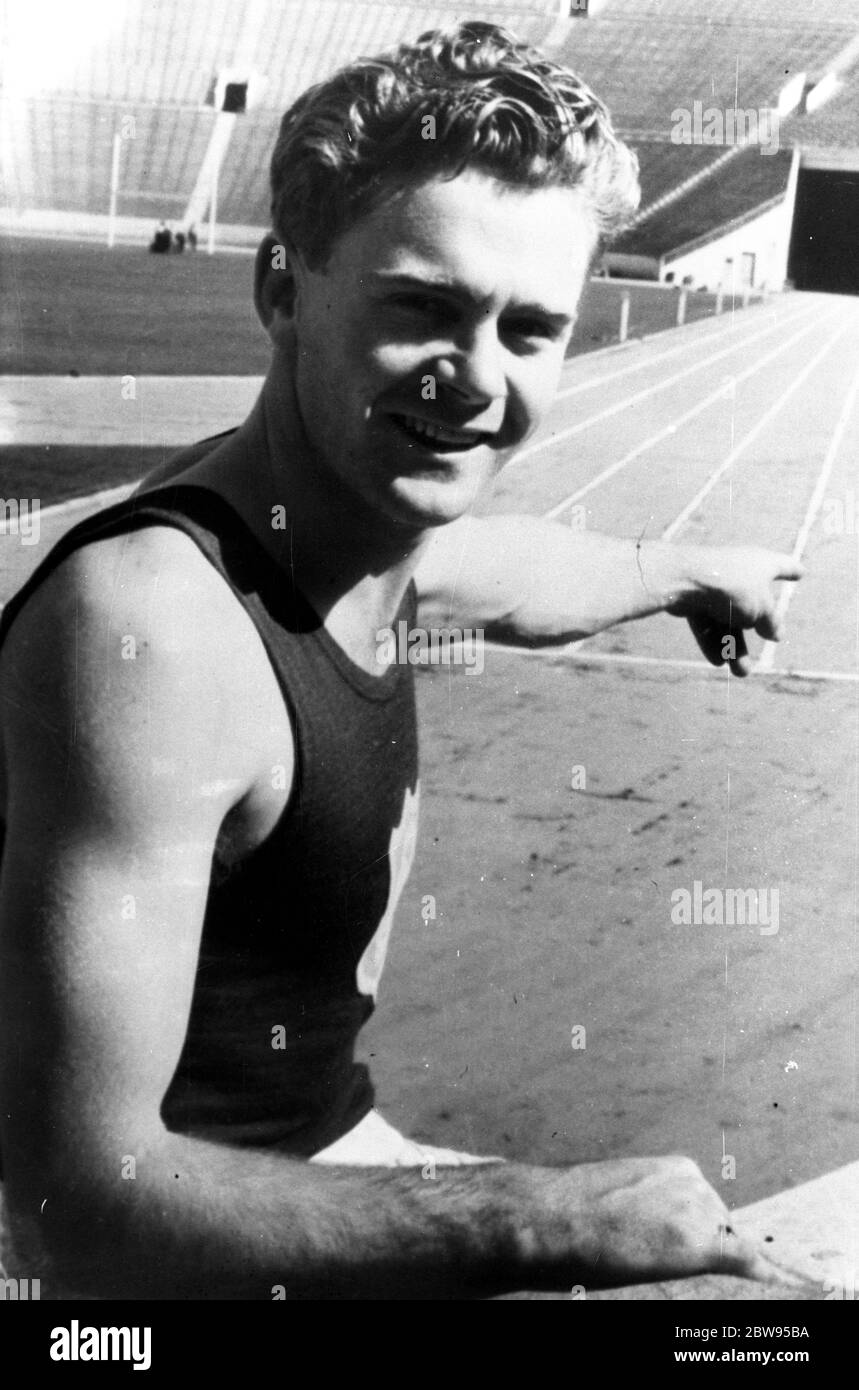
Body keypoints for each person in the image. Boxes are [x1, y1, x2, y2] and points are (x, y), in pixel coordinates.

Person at [0, 22, 802, 1300]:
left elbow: (517, 572)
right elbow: (74, 1207)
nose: (474, 380)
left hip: (313, 1165)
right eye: (424, 308)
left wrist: (683, 568)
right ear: (283, 290)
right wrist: (534, 1217)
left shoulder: (352, 537)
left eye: (530, 330)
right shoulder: (153, 636)